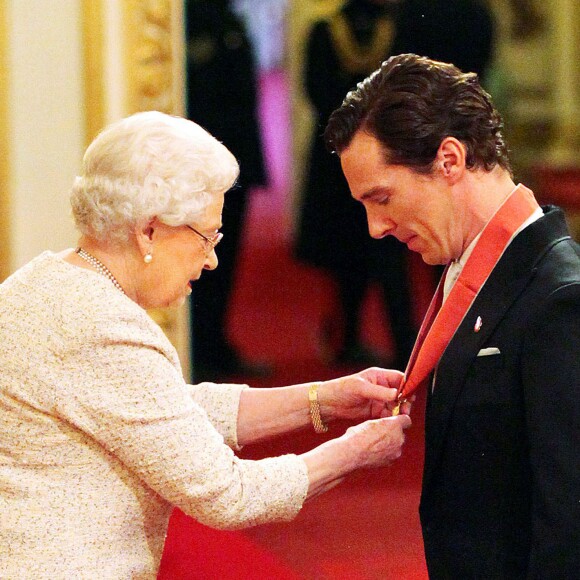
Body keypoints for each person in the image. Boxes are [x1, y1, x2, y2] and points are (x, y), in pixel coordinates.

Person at [0, 111, 413, 578]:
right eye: (205, 236)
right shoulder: (102, 326)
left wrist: (325, 399)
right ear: (149, 229)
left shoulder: (45, 281)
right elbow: (227, 494)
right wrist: (354, 453)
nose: (213, 259)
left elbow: (165, 410)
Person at [324, 54, 579, 578]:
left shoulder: (559, 301)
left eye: (382, 198)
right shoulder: (475, 272)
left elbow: (569, 523)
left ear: (449, 160)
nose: (375, 227)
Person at [295, 0, 417, 370]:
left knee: (354, 256)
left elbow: (314, 91)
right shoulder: (396, 30)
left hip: (336, 157)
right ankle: (403, 347)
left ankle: (350, 342)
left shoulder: (325, 31)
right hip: (382, 155)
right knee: (388, 256)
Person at [185, 0, 268, 380]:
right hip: (198, 168)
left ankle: (215, 343)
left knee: (225, 260)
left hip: (234, 163)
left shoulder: (229, 17)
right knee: (196, 261)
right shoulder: (186, 18)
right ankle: (200, 348)